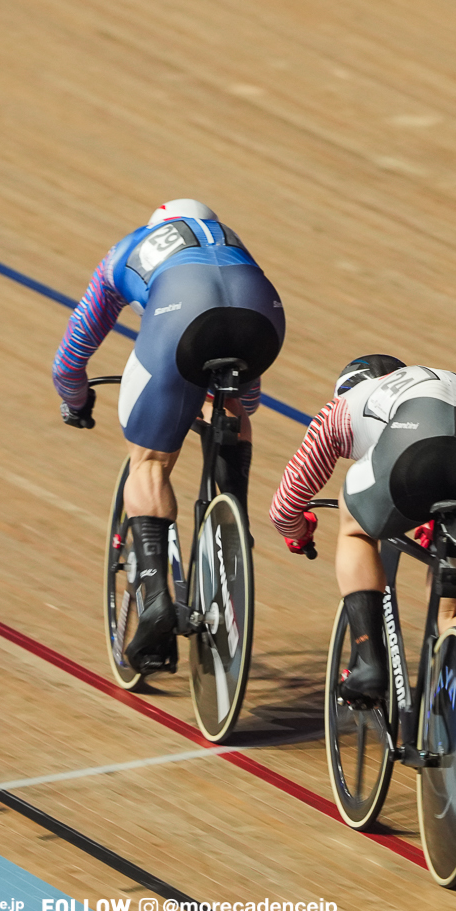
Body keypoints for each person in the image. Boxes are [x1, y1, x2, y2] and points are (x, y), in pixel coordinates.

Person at [271, 355, 456, 804]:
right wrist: (444, 530)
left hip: (414, 449)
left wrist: (299, 533)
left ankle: (368, 661)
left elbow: (286, 504)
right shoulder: (430, 381)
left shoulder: (343, 407)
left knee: (354, 525)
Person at [54, 200, 285, 672]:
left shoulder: (128, 250)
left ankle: (156, 599)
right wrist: (219, 401)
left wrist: (76, 402)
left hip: (182, 317)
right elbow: (250, 394)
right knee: (235, 403)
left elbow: (72, 355)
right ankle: (233, 514)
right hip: (264, 316)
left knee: (150, 462)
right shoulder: (231, 240)